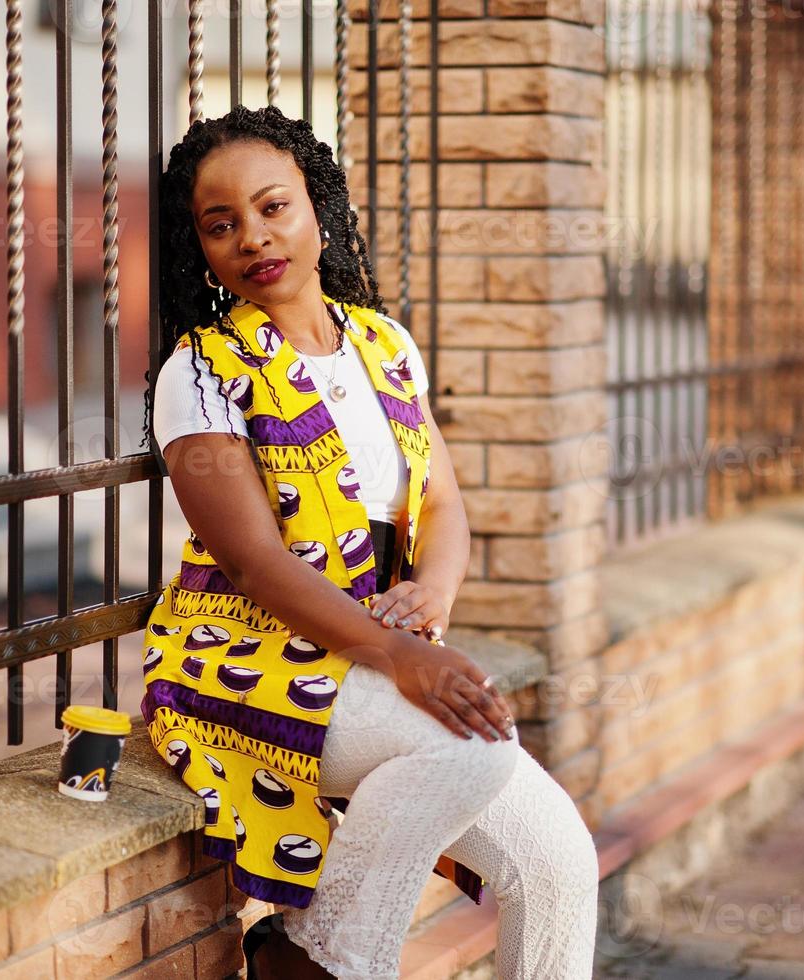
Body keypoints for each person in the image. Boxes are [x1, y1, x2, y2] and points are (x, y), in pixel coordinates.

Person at [138, 103, 600, 979]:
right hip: (245, 656)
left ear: (317, 207)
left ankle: (307, 955)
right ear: (199, 247)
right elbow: (252, 562)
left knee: (558, 863)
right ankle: (320, 959)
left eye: (273, 207)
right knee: (473, 743)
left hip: (369, 654)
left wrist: (432, 596)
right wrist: (400, 655)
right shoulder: (199, 370)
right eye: (221, 223)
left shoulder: (384, 345)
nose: (254, 237)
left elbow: (442, 504)